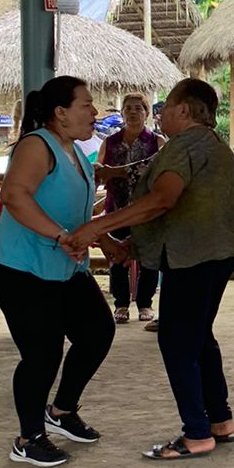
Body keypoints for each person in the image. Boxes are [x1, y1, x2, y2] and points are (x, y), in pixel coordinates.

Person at [66, 79, 234, 461]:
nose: (160, 116)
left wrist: (98, 226)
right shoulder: (216, 146)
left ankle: (196, 433)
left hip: (192, 258)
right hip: (216, 253)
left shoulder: (181, 146)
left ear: (184, 110)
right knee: (199, 337)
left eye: (166, 109)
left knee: (177, 343)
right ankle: (220, 420)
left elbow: (163, 200)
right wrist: (132, 245)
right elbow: (187, 210)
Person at [0, 77, 120, 468]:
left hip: (64, 265)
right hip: (21, 267)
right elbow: (13, 196)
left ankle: (60, 412)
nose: (95, 112)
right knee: (42, 353)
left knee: (97, 332)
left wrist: (104, 239)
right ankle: (28, 438)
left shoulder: (74, 149)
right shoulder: (36, 145)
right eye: (87, 104)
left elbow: (75, 210)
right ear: (60, 112)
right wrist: (60, 235)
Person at [95, 92, 162, 324]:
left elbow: (157, 173)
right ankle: (121, 304)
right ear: (122, 113)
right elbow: (100, 170)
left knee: (148, 258)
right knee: (117, 257)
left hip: (146, 210)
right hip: (117, 209)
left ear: (146, 113)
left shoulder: (156, 142)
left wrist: (117, 172)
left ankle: (145, 304)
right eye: (128, 109)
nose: (133, 112)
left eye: (138, 108)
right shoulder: (110, 142)